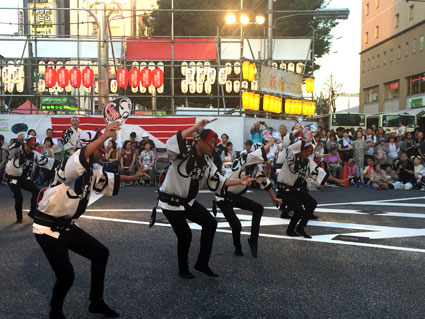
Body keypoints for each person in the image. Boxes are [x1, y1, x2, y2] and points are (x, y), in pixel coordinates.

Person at [33, 123, 145, 319]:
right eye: (98, 150)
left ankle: (96, 302)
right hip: (47, 229)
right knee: (66, 276)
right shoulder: (69, 165)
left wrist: (134, 177)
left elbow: (111, 179)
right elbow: (82, 154)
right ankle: (55, 311)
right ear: (88, 148)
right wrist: (102, 138)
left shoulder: (90, 173)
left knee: (101, 253)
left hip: (66, 226)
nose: (102, 154)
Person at [157, 120, 252, 279]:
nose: (213, 146)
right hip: (171, 203)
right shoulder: (184, 153)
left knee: (210, 223)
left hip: (188, 202)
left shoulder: (207, 162)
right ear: (200, 140)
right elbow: (172, 143)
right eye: (211, 142)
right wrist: (195, 128)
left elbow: (219, 180)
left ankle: (202, 264)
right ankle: (183, 269)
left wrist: (240, 182)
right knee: (185, 235)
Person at [214, 139, 281, 257]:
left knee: (258, 208)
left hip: (235, 196)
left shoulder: (255, 167)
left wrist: (273, 198)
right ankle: (237, 247)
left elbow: (266, 183)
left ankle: (253, 240)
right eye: (265, 151)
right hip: (223, 197)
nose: (268, 152)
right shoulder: (246, 157)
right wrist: (270, 142)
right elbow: (259, 152)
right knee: (236, 225)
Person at [276, 138, 345, 238]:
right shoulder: (291, 157)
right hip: (284, 189)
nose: (309, 153)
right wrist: (305, 141)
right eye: (307, 151)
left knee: (312, 203)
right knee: (299, 210)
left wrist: (338, 181)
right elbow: (291, 147)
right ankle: (290, 230)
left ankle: (301, 227)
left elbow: (321, 173)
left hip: (295, 189)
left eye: (310, 152)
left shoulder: (308, 163)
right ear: (301, 150)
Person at [5, 135, 57, 223]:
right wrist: (18, 140)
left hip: (24, 178)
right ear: (25, 143)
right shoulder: (18, 151)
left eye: (34, 142)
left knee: (37, 192)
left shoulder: (34, 154)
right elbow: (11, 149)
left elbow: (46, 161)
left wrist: (60, 164)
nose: (34, 144)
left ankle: (33, 213)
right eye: (32, 142)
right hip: (12, 178)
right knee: (19, 197)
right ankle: (19, 218)